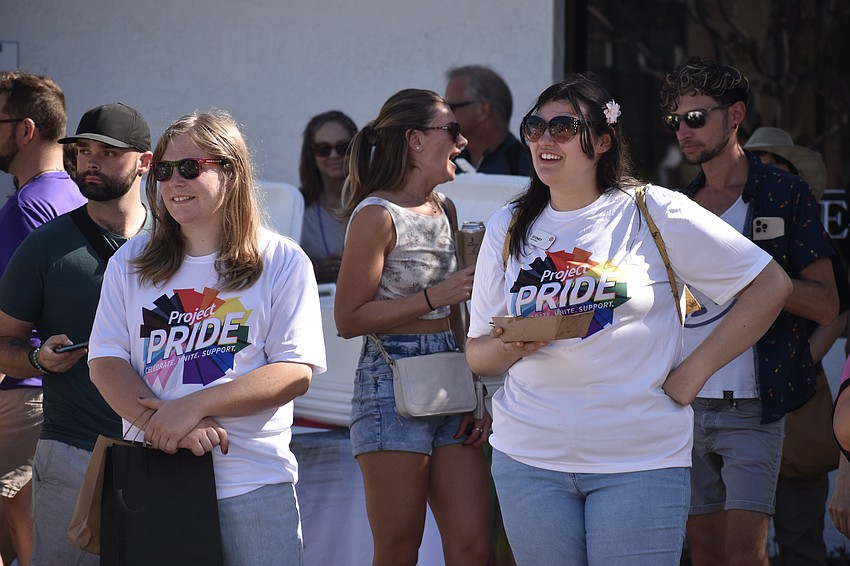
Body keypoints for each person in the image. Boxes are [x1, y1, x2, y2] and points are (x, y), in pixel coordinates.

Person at [465, 73, 792, 566]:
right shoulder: (507, 225)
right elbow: (477, 354)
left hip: (638, 460)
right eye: (535, 127)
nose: (544, 139)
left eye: (563, 127)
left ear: (601, 140)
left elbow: (770, 287)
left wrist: (692, 376)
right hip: (529, 460)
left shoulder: (655, 210)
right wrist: (515, 344)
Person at [88, 110, 326, 566]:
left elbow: (294, 371)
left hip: (252, 486)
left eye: (190, 167)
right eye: (163, 170)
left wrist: (194, 406)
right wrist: (168, 427)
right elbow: (105, 362)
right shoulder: (130, 261)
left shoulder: (282, 261)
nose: (174, 181)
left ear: (232, 171)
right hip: (157, 480)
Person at [660, 57, 839, 566]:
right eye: (676, 120)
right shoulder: (677, 205)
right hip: (687, 399)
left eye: (696, 117)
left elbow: (827, 303)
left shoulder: (782, 193)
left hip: (755, 403)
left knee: (747, 554)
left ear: (735, 114)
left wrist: (748, 272)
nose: (684, 131)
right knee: (706, 554)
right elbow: (677, 303)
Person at [334, 88, 491, 566]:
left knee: (472, 545)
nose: (462, 143)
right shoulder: (376, 214)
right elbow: (348, 318)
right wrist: (433, 297)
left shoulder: (445, 208)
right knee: (400, 548)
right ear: (417, 140)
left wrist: (476, 391)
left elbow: (458, 313)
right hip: (390, 386)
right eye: (452, 131)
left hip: (450, 380)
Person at [0, 102, 151, 566]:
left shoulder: (175, 243)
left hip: (165, 451)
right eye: (83, 151)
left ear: (145, 162)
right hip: (73, 448)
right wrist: (38, 360)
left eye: (107, 152)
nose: (90, 162)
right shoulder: (45, 245)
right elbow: (3, 343)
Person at [743, 126, 849, 566]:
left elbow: (837, 307)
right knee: (736, 541)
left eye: (773, 164)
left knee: (800, 536)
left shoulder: (810, 236)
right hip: (730, 397)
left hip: (796, 397)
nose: (763, 172)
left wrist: (800, 362)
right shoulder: (723, 226)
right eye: (756, 163)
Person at [0, 71, 85, 566]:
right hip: (56, 393)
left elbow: (10, 319)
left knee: (28, 542)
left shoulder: (27, 209)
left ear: (26, 129)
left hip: (21, 393)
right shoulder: (79, 200)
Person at [298, 110, 357, 283]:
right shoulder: (298, 207)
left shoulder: (375, 201)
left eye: (342, 147)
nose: (333, 155)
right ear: (311, 154)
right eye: (323, 149)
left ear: (356, 148)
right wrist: (314, 272)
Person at [444, 65, 530, 175]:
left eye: (451, 107)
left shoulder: (527, 167)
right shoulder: (448, 166)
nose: (445, 114)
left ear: (482, 110)